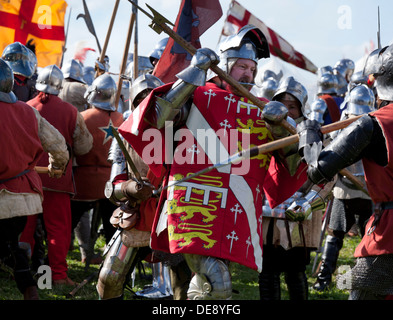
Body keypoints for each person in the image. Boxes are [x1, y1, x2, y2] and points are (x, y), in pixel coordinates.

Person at [117, 24, 309, 300]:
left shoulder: (261, 108)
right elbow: (157, 117)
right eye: (242, 66)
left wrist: (281, 128)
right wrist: (196, 71)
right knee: (212, 285)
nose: (248, 74)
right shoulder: (198, 94)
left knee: (208, 285)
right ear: (227, 64)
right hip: (193, 203)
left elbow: (293, 165)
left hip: (234, 210)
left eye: (252, 69)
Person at [296, 42, 393, 300]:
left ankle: (325, 281)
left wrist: (308, 135)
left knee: (363, 292)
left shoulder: (374, 124)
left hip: (389, 236)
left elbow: (317, 169)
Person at [97, 73, 172, 300]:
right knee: (109, 280)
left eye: (152, 97)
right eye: (141, 98)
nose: (147, 103)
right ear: (133, 102)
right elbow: (111, 187)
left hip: (169, 215)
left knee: (171, 288)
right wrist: (130, 188)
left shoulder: (177, 131)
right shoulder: (124, 134)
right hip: (135, 213)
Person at [0, 59, 69, 299]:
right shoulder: (28, 112)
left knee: (11, 245)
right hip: (23, 199)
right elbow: (59, 146)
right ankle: (30, 290)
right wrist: (55, 167)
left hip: (5, 197)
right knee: (13, 245)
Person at [20, 64, 93, 286]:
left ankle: (22, 272)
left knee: (26, 228)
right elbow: (83, 147)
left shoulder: (25, 107)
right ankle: (58, 276)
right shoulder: (71, 112)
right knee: (57, 229)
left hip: (29, 179)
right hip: (57, 179)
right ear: (59, 87)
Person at [258, 76, 328, 300]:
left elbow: (326, 175)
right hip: (269, 207)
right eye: (282, 106)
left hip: (299, 210)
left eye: (292, 106)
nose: (286, 111)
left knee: (295, 272)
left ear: (301, 108)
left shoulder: (314, 133)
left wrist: (308, 201)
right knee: (267, 271)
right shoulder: (263, 129)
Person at [312, 84, 375, 291]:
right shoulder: (364, 124)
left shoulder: (370, 126)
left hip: (365, 191)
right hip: (351, 190)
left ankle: (358, 280)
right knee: (338, 236)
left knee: (355, 236)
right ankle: (325, 279)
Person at [71, 73, 124, 263]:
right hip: (111, 183)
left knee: (68, 222)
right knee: (112, 228)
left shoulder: (82, 117)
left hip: (84, 182)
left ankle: (62, 257)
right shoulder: (122, 119)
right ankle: (111, 262)